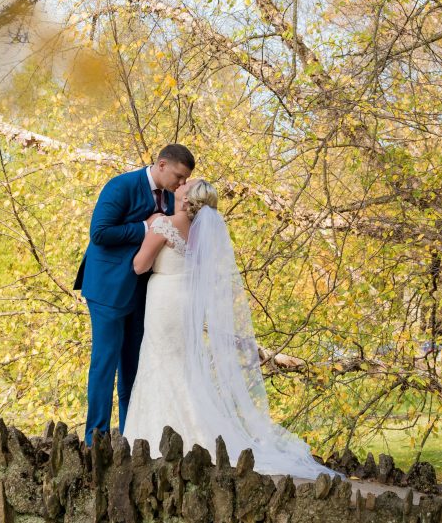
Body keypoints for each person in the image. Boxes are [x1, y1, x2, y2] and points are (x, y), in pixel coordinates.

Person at [123, 178, 334, 479]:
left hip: (165, 301)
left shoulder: (162, 225)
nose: (179, 186)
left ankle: (153, 439)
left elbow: (140, 265)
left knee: (158, 362)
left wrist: (149, 225)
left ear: (186, 200)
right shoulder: (200, 234)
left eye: (184, 186)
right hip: (187, 304)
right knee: (184, 366)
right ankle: (193, 435)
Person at [74, 144, 195, 446]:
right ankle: (96, 438)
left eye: (185, 180)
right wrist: (145, 227)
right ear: (162, 164)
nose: (181, 185)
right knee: (105, 362)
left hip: (144, 295)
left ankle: (132, 435)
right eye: (179, 177)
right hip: (108, 288)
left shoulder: (170, 199)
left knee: (134, 365)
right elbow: (99, 233)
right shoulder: (121, 185)